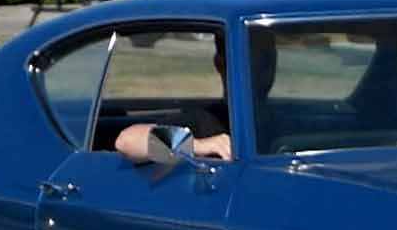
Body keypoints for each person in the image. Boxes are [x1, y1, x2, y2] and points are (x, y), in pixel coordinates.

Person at [114, 30, 278, 163]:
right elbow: (127, 142)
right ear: (221, 66)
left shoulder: (286, 121)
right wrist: (196, 145)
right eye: (257, 62)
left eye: (269, 60)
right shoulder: (203, 122)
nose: (266, 72)